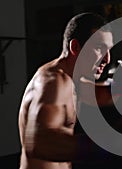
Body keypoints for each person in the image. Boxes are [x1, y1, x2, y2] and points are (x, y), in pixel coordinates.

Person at [18, 12, 114, 169]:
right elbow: (39, 143)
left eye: (108, 50)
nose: (107, 59)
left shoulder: (72, 79)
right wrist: (106, 148)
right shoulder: (53, 81)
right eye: (99, 48)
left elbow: (99, 94)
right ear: (75, 47)